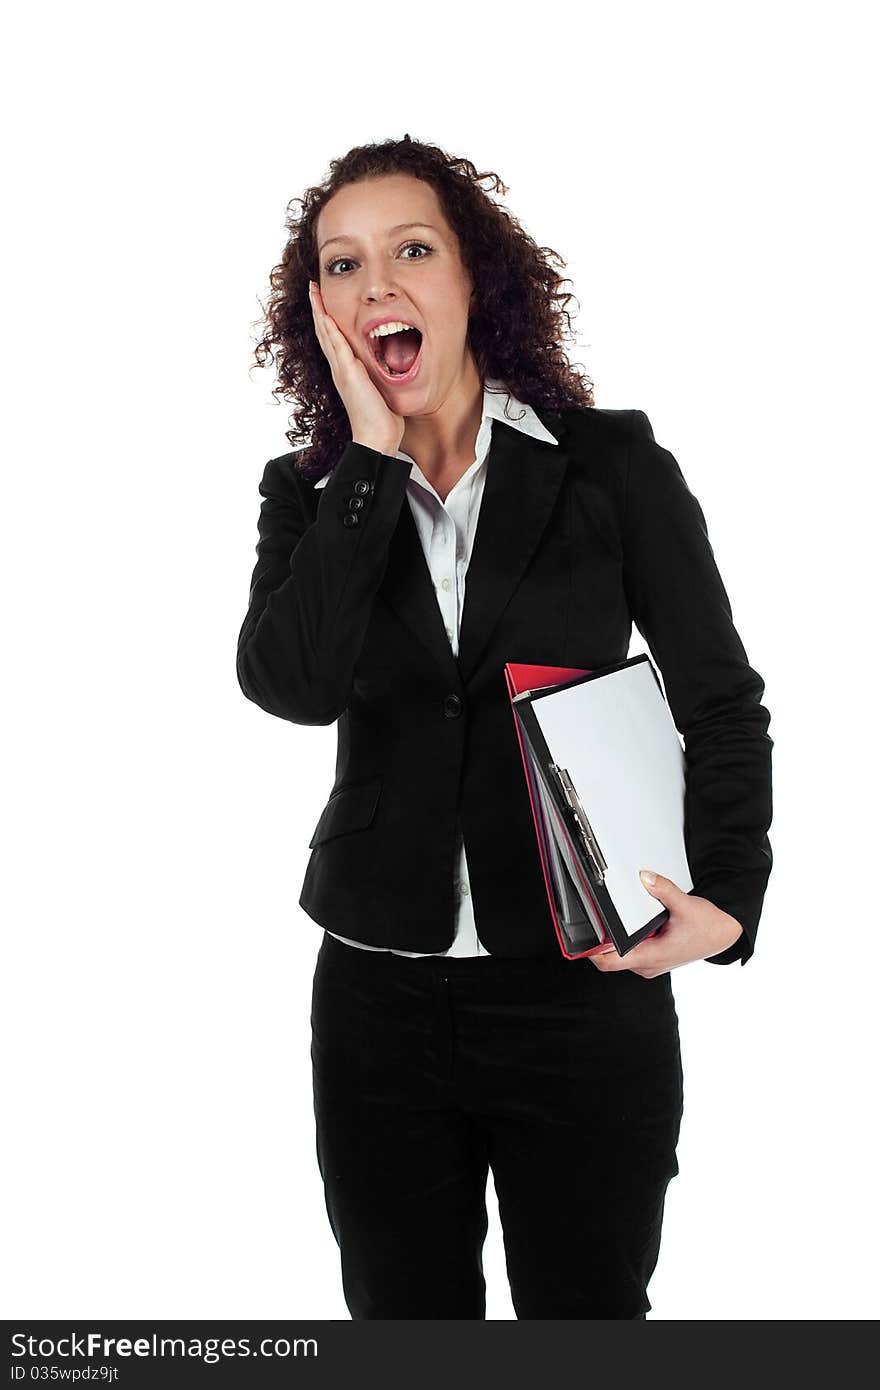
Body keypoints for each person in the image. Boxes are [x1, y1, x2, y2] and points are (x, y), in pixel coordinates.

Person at [236, 135, 774, 1319]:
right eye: (342, 264)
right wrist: (368, 461)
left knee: (585, 1321)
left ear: (475, 277)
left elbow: (720, 701)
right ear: (317, 310)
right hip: (379, 998)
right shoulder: (314, 493)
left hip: (582, 990)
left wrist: (729, 895)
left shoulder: (610, 466)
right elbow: (289, 685)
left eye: (411, 250)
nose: (377, 284)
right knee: (402, 1321)